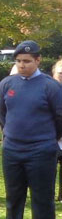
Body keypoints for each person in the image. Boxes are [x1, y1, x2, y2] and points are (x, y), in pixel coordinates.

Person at [0, 40, 62, 219]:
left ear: (38, 60)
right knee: (13, 199)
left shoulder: (50, 86)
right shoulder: (7, 84)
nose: (22, 65)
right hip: (12, 151)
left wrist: (48, 140)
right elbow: (2, 114)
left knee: (42, 201)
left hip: (41, 151)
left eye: (27, 61)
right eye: (18, 61)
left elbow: (60, 118)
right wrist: (9, 135)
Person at [52, 59, 62, 202]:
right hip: (50, 136)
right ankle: (49, 195)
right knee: (49, 169)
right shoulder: (49, 90)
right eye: (60, 73)